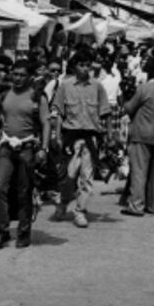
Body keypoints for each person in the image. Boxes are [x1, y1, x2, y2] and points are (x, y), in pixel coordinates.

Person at [0, 60, 50, 249]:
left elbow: (46, 123)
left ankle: (24, 232)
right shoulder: (5, 93)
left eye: (22, 75)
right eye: (15, 74)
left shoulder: (37, 96)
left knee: (24, 191)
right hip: (7, 146)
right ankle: (2, 231)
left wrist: (43, 148)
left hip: (27, 148)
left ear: (30, 77)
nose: (17, 78)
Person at [51, 50, 111, 228]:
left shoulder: (97, 86)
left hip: (91, 138)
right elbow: (58, 112)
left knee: (87, 178)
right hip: (71, 137)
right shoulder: (65, 86)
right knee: (69, 176)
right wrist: (57, 135)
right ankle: (63, 202)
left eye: (88, 65)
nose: (85, 69)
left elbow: (106, 112)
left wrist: (109, 136)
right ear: (74, 67)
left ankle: (80, 211)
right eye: (81, 65)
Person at [121, 57, 154, 216]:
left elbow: (129, 108)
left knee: (139, 172)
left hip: (142, 134)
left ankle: (136, 205)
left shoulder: (144, 89)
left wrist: (124, 100)